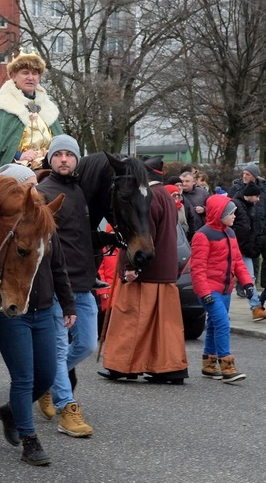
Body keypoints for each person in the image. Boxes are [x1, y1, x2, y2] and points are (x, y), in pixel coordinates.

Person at [0, 163, 75, 466]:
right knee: (24, 378)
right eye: (29, 186)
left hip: (44, 310)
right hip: (11, 312)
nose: (36, 192)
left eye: (35, 186)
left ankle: (11, 413)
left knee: (48, 374)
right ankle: (30, 442)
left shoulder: (43, 225)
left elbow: (59, 267)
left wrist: (67, 305)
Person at [99, 157, 189, 384]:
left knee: (131, 320)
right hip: (165, 269)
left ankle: (123, 366)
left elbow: (142, 236)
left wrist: (131, 267)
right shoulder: (166, 197)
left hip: (145, 271)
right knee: (164, 327)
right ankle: (168, 368)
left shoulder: (148, 197)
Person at [36, 134, 96, 438]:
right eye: (57, 154)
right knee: (59, 349)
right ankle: (66, 407)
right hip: (59, 287)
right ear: (50, 159)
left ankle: (48, 379)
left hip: (84, 284)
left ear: (76, 160)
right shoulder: (43, 194)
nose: (63, 159)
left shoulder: (80, 192)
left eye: (69, 155)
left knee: (87, 344)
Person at [0, 48, 63, 172]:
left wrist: (53, 153)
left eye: (35, 73)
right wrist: (18, 156)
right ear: (14, 76)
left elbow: (61, 142)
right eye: (25, 73)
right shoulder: (2, 106)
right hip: (15, 172)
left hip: (49, 168)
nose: (30, 77)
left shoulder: (48, 108)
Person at [191, 195, 251, 383]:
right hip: (210, 291)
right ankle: (227, 366)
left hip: (225, 290)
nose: (234, 217)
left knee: (215, 325)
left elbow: (238, 262)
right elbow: (198, 268)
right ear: (220, 214)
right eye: (231, 213)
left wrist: (247, 283)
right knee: (223, 324)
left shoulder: (230, 234)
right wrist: (204, 293)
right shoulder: (203, 235)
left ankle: (208, 365)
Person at [230, 182, 266, 320]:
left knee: (249, 277)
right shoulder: (236, 205)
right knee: (247, 277)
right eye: (256, 196)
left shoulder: (249, 207)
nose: (258, 199)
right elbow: (241, 229)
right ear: (249, 196)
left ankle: (256, 307)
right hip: (239, 248)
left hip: (244, 248)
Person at [227, 163, 266, 288]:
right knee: (243, 259)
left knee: (255, 260)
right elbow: (228, 206)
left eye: (247, 174)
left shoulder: (263, 189)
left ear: (254, 176)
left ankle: (254, 284)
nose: (244, 176)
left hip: (260, 228)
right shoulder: (236, 188)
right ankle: (242, 286)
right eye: (243, 173)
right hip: (243, 229)